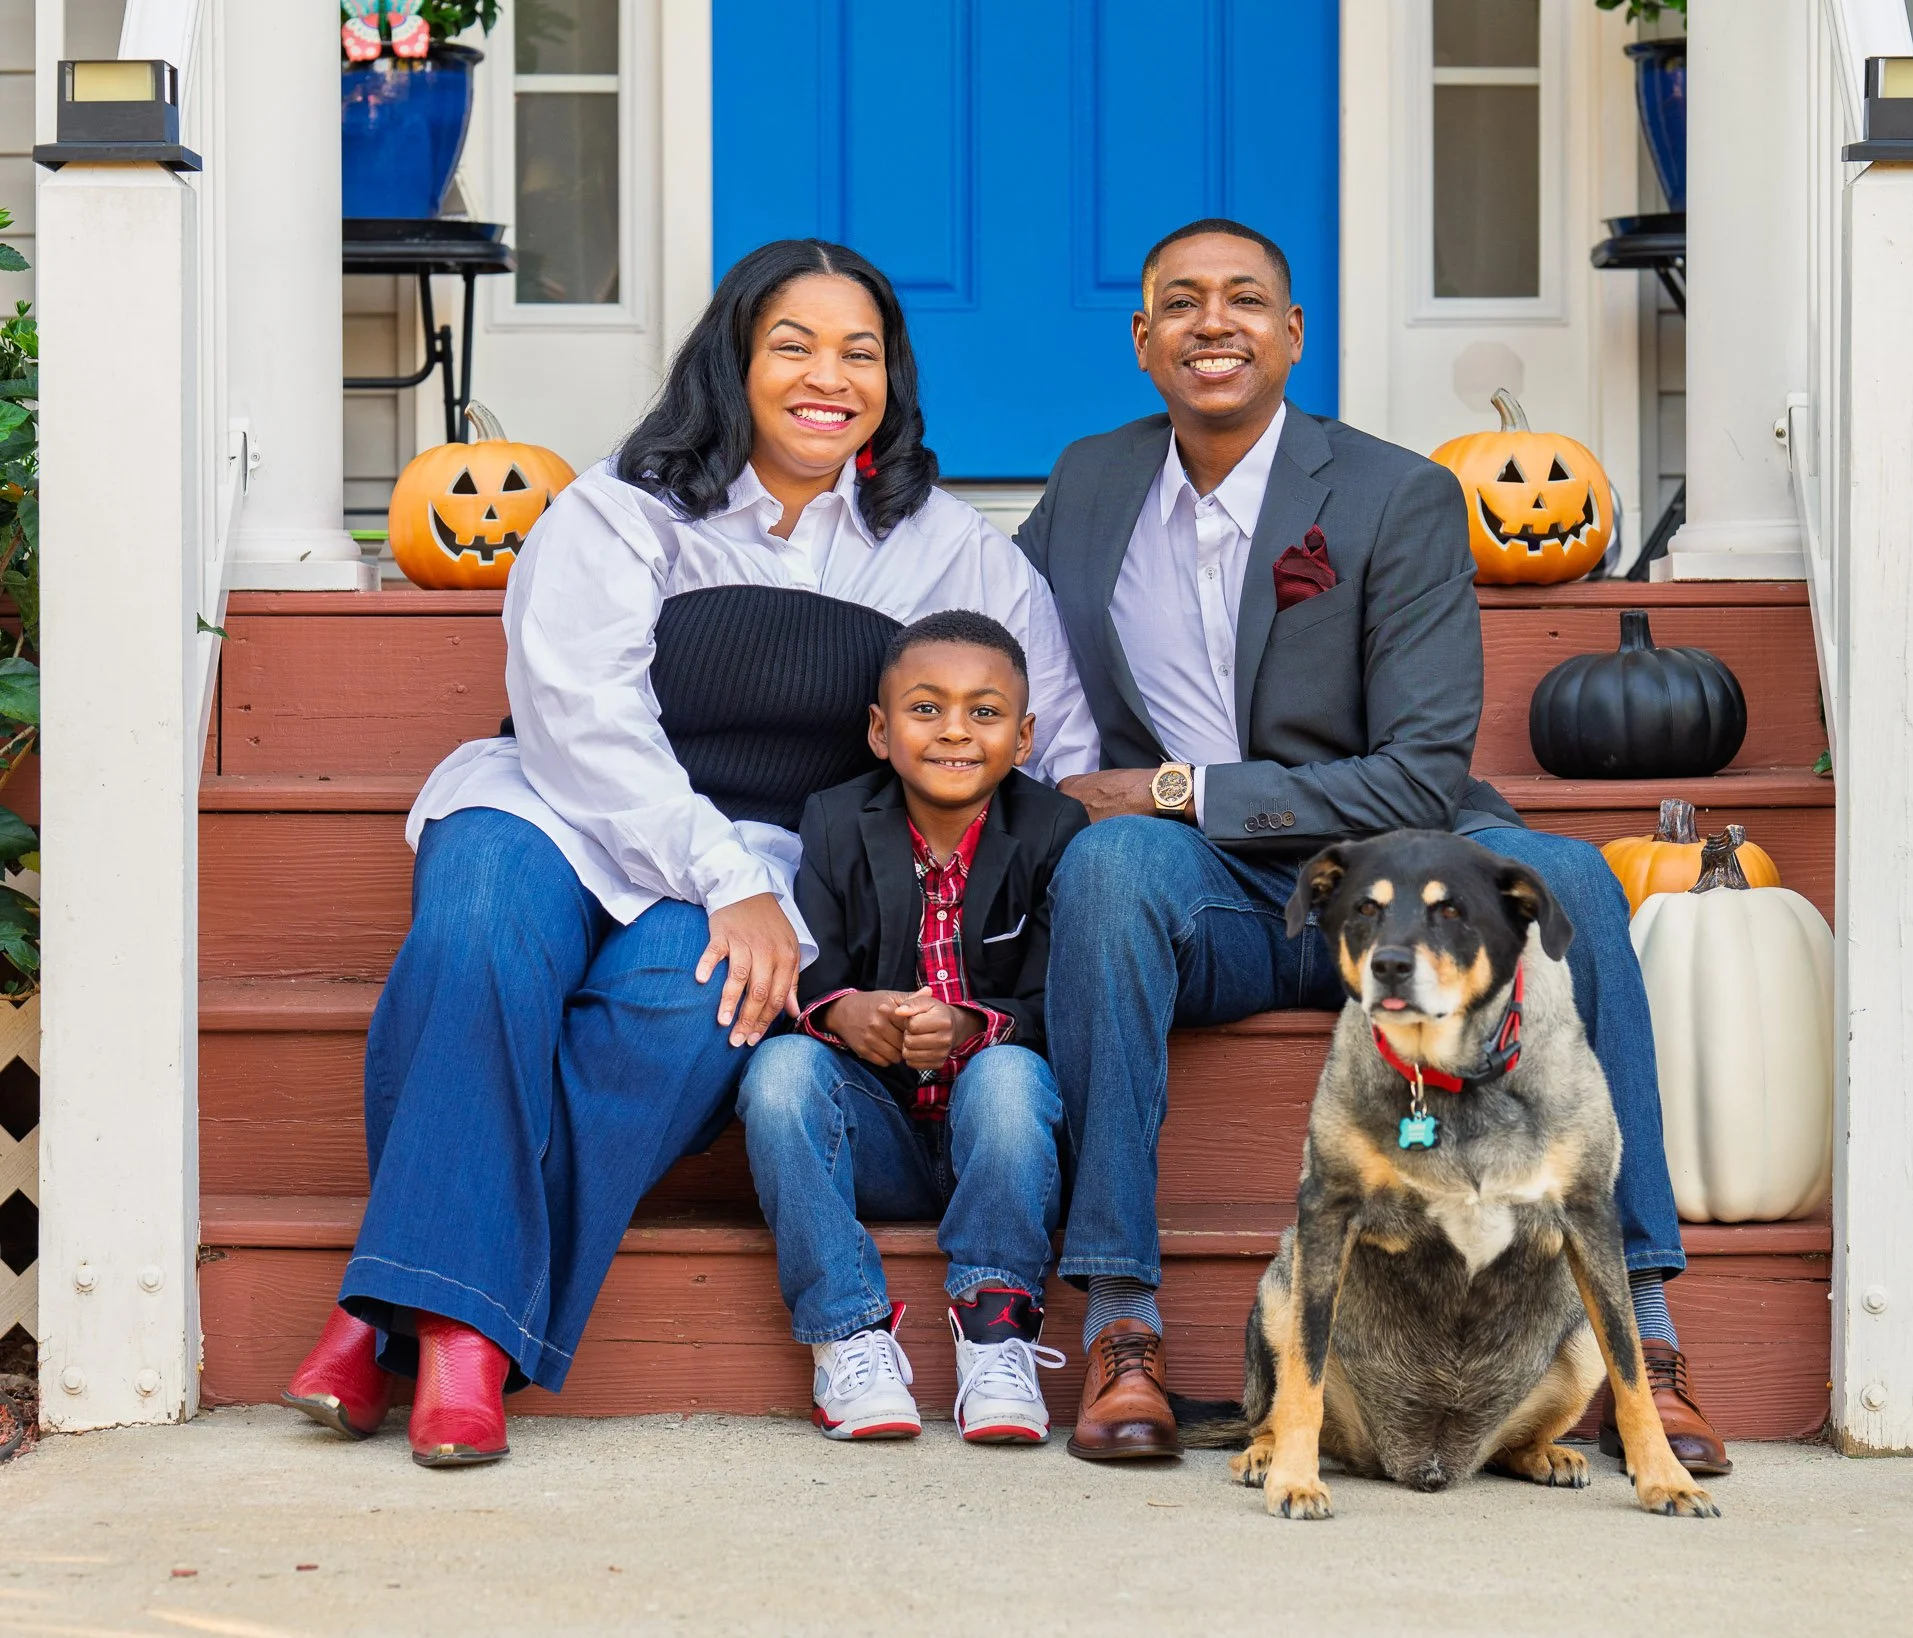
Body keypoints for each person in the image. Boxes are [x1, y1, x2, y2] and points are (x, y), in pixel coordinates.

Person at [279, 240, 1098, 1468]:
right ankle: (448, 1327)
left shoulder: (949, 549)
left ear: (892, 378)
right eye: (792, 347)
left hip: (764, 859)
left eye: (860, 353)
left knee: (687, 1010)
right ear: (732, 361)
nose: (828, 378)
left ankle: (417, 1321)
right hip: (559, 808)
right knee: (476, 934)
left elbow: (1046, 741)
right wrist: (722, 876)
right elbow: (579, 716)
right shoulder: (623, 507)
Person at [1017, 218, 1729, 1476]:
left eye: (1245, 299)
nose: (1212, 323)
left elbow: (1415, 769)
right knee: (1104, 870)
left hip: (1401, 872)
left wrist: (1179, 786)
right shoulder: (1085, 483)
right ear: (1141, 339)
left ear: (1293, 333)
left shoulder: (1395, 492)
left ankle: (1646, 1337)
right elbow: (998, 636)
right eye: (1180, 302)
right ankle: (1121, 1323)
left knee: (1569, 875)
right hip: (1216, 896)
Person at [738, 610, 1085, 1445]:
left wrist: (972, 1023)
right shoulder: (833, 820)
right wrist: (842, 1012)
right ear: (879, 730)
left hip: (1005, 1146)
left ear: (1025, 736)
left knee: (1009, 1075)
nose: (955, 731)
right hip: (882, 1138)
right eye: (926, 709)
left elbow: (1065, 1001)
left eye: (984, 712)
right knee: (779, 1072)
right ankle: (848, 1335)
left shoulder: (1054, 830)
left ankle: (997, 1332)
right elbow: (812, 966)